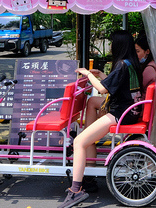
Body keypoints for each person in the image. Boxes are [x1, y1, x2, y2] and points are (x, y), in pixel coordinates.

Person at [59, 30, 141, 208]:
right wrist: (101, 75)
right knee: (92, 102)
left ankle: (75, 190)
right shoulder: (131, 63)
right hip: (130, 109)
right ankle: (90, 145)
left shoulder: (121, 64)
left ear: (118, 45)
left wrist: (87, 74)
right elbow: (117, 85)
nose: (110, 46)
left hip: (121, 113)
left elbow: (104, 90)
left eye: (112, 43)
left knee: (79, 142)